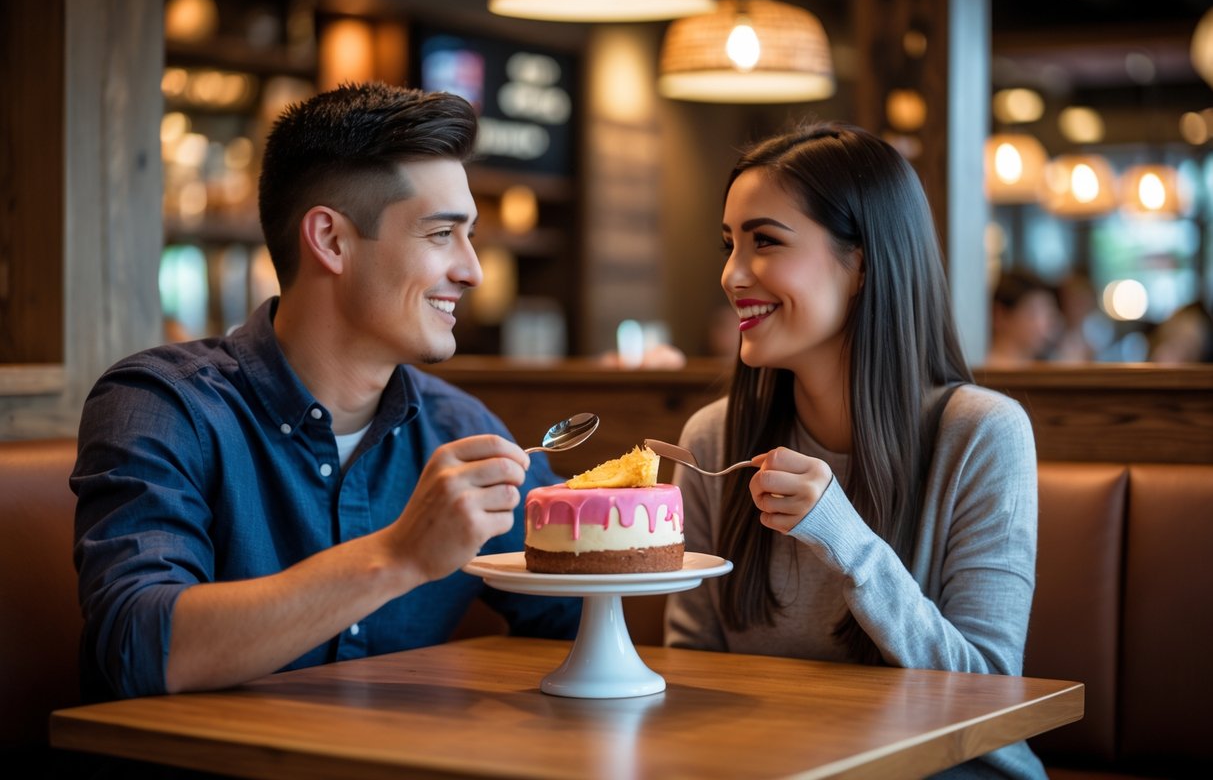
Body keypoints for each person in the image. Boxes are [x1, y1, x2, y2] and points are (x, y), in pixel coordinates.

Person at [71, 83, 580, 703]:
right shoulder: (164, 406)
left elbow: (575, 615)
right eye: (442, 234)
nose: (472, 270)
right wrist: (399, 555)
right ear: (331, 240)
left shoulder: (456, 426)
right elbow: (138, 647)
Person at [664, 122, 1046, 778]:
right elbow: (689, 668)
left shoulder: (983, 434)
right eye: (728, 244)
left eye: (765, 242)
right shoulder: (712, 441)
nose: (732, 275)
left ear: (863, 262)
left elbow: (988, 691)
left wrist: (843, 536)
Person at [986, 268, 1062, 365]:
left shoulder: (1047, 367)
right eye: (1033, 313)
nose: (1046, 324)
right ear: (1000, 315)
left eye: (1049, 314)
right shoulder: (982, 372)